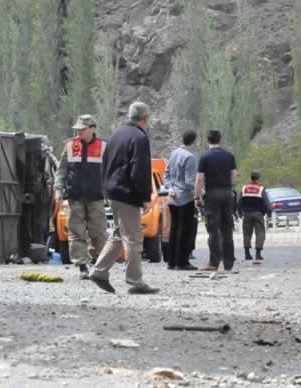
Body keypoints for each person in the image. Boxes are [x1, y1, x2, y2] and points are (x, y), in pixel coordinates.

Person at [88, 101, 159, 295]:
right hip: (127, 194)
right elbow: (140, 170)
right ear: (145, 119)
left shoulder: (116, 135)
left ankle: (99, 271)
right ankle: (135, 282)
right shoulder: (139, 137)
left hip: (112, 192)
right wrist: (144, 197)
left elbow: (105, 164)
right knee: (134, 239)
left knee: (120, 234)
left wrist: (106, 189)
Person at [54, 114, 108, 280]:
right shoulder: (70, 146)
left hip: (96, 198)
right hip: (75, 197)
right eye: (77, 129)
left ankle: (96, 261)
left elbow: (111, 172)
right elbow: (61, 171)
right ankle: (82, 266)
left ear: (92, 129)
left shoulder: (104, 147)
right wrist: (58, 191)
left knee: (98, 232)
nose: (78, 132)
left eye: (82, 129)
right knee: (76, 232)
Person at [194, 130, 237, 272]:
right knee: (227, 228)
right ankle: (229, 263)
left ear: (207, 140)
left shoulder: (205, 157)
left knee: (213, 230)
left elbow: (200, 179)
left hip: (212, 194)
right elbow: (234, 175)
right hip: (227, 193)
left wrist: (197, 196)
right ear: (220, 139)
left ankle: (213, 263)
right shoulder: (229, 155)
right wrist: (229, 187)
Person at [164, 130, 198, 271]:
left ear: (181, 138)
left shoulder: (173, 153)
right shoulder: (190, 157)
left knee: (174, 229)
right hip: (185, 198)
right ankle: (182, 262)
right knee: (185, 231)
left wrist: (170, 187)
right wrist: (199, 194)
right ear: (194, 141)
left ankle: (171, 262)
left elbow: (166, 174)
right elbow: (190, 182)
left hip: (172, 197)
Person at [239, 171, 270, 261]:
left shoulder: (244, 188)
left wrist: (240, 212)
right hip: (258, 214)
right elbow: (266, 202)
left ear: (251, 177)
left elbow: (240, 201)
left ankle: (247, 254)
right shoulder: (261, 188)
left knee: (247, 233)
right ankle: (258, 254)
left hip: (247, 214)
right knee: (260, 233)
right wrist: (269, 212)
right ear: (258, 178)